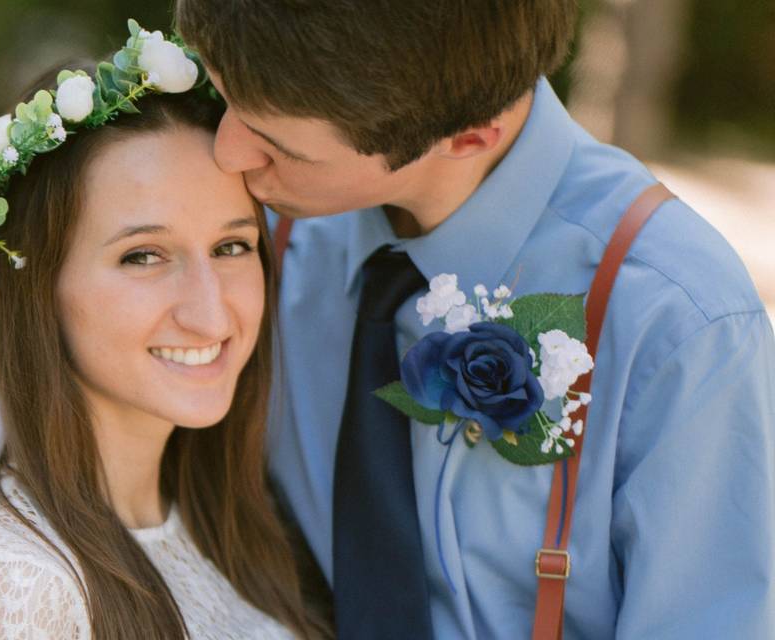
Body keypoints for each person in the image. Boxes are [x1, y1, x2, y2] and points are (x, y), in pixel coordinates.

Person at [174, 1, 775, 638]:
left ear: (470, 138)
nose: (226, 151)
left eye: (277, 145)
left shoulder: (679, 323)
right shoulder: (244, 229)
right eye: (222, 96)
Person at [0, 23, 331, 640]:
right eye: (143, 256)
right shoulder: (22, 590)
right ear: (38, 288)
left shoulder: (230, 518)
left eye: (231, 245)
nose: (211, 313)